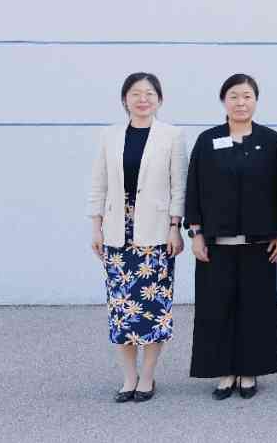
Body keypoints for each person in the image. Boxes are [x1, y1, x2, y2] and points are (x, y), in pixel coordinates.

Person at [184, 74, 277, 400]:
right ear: (223, 101)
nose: (241, 103)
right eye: (234, 96)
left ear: (256, 100)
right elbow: (193, 188)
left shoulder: (271, 140)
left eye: (247, 96)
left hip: (260, 244)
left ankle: (250, 370)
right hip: (216, 245)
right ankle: (224, 370)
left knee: (256, 309)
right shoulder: (208, 140)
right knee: (217, 308)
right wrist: (195, 232)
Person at [88, 72, 187, 402]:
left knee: (153, 309)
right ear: (124, 99)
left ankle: (147, 376)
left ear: (159, 99)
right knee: (121, 309)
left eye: (149, 93)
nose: (142, 99)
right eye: (135, 93)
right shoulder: (110, 135)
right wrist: (96, 227)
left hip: (156, 234)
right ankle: (128, 377)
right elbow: (99, 184)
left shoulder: (172, 135)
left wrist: (175, 227)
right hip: (117, 233)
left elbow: (179, 187)